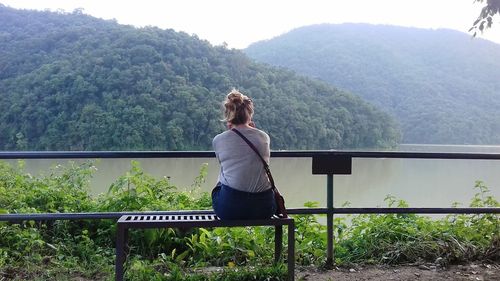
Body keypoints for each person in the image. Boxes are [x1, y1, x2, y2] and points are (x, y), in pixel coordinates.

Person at [211, 89, 276, 220]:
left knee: (223, 174)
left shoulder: (219, 140)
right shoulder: (264, 137)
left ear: (228, 115)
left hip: (230, 209)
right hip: (264, 208)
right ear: (250, 115)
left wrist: (232, 131)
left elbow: (225, 166)